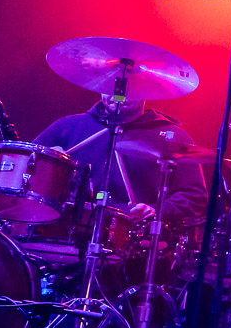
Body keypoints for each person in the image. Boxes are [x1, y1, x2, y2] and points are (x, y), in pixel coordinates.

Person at [34, 96, 208, 231]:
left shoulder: (172, 137)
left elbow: (194, 196)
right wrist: (45, 159)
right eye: (112, 84)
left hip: (132, 242)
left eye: (129, 87)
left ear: (147, 92)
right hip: (61, 232)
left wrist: (157, 211)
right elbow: (25, 164)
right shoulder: (67, 127)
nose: (118, 94)